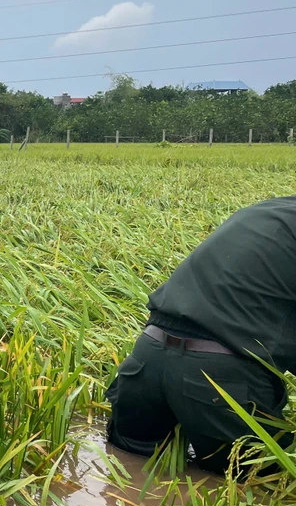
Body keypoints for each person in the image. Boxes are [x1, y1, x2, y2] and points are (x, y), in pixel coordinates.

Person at [106, 195, 296, 475]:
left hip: (144, 360)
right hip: (219, 382)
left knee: (129, 474)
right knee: (258, 493)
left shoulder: (268, 210)